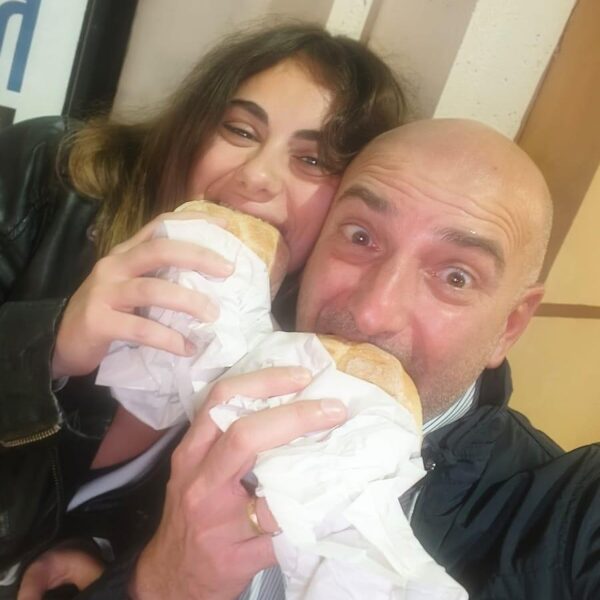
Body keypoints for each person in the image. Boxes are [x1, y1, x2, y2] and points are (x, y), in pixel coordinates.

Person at [70, 118, 598, 599]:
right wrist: (146, 580)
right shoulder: (202, 370)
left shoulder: (570, 517)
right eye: (360, 236)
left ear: (508, 327)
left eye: (455, 277)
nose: (373, 312)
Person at [0, 21, 406, 594]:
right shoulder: (50, 174)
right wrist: (49, 344)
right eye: (240, 130)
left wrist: (101, 549)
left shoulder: (302, 359)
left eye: (313, 161)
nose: (257, 177)